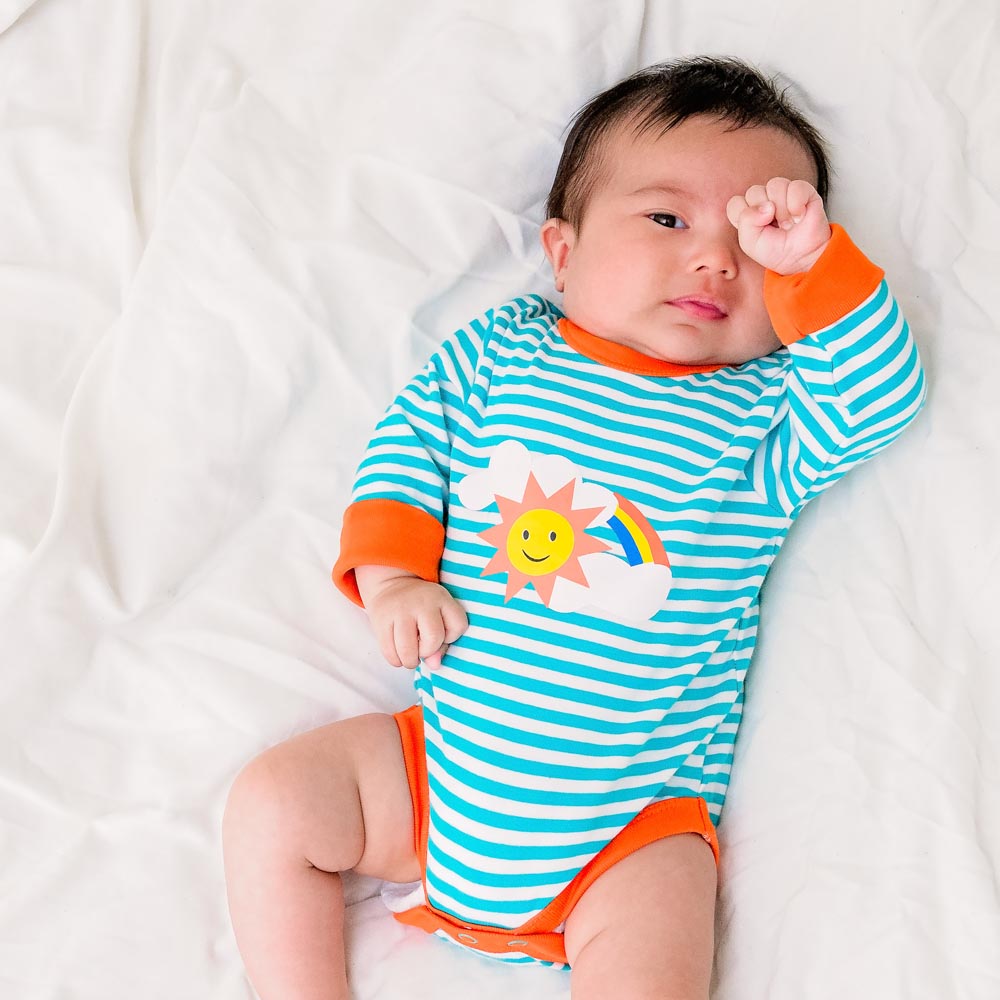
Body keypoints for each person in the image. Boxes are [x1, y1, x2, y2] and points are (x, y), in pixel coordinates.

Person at [222, 56, 925, 1000]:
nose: (716, 259)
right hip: (436, 777)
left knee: (658, 939)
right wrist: (394, 578)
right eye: (667, 219)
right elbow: (409, 447)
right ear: (563, 251)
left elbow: (880, 398)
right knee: (274, 803)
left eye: (754, 241)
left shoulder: (770, 412)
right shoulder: (504, 348)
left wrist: (814, 265)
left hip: (630, 833)